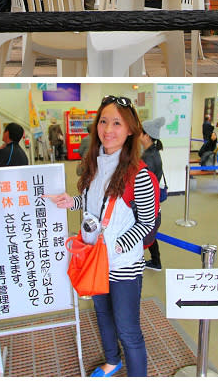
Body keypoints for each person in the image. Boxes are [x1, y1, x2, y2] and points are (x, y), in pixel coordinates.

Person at [45, 95, 154, 377]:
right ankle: (112, 360)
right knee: (103, 314)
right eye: (103, 121)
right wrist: (72, 202)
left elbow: (147, 224)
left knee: (127, 327)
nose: (108, 129)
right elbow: (92, 203)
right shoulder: (95, 164)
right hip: (95, 258)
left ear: (130, 129)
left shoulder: (138, 174)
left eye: (117, 123)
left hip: (122, 264)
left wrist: (117, 246)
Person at [140, 117, 165, 271]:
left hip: (146, 203)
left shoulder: (147, 158)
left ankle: (154, 261)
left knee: (145, 230)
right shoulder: (153, 152)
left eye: (140, 134)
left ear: (147, 136)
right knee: (151, 232)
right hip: (153, 202)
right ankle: (156, 261)